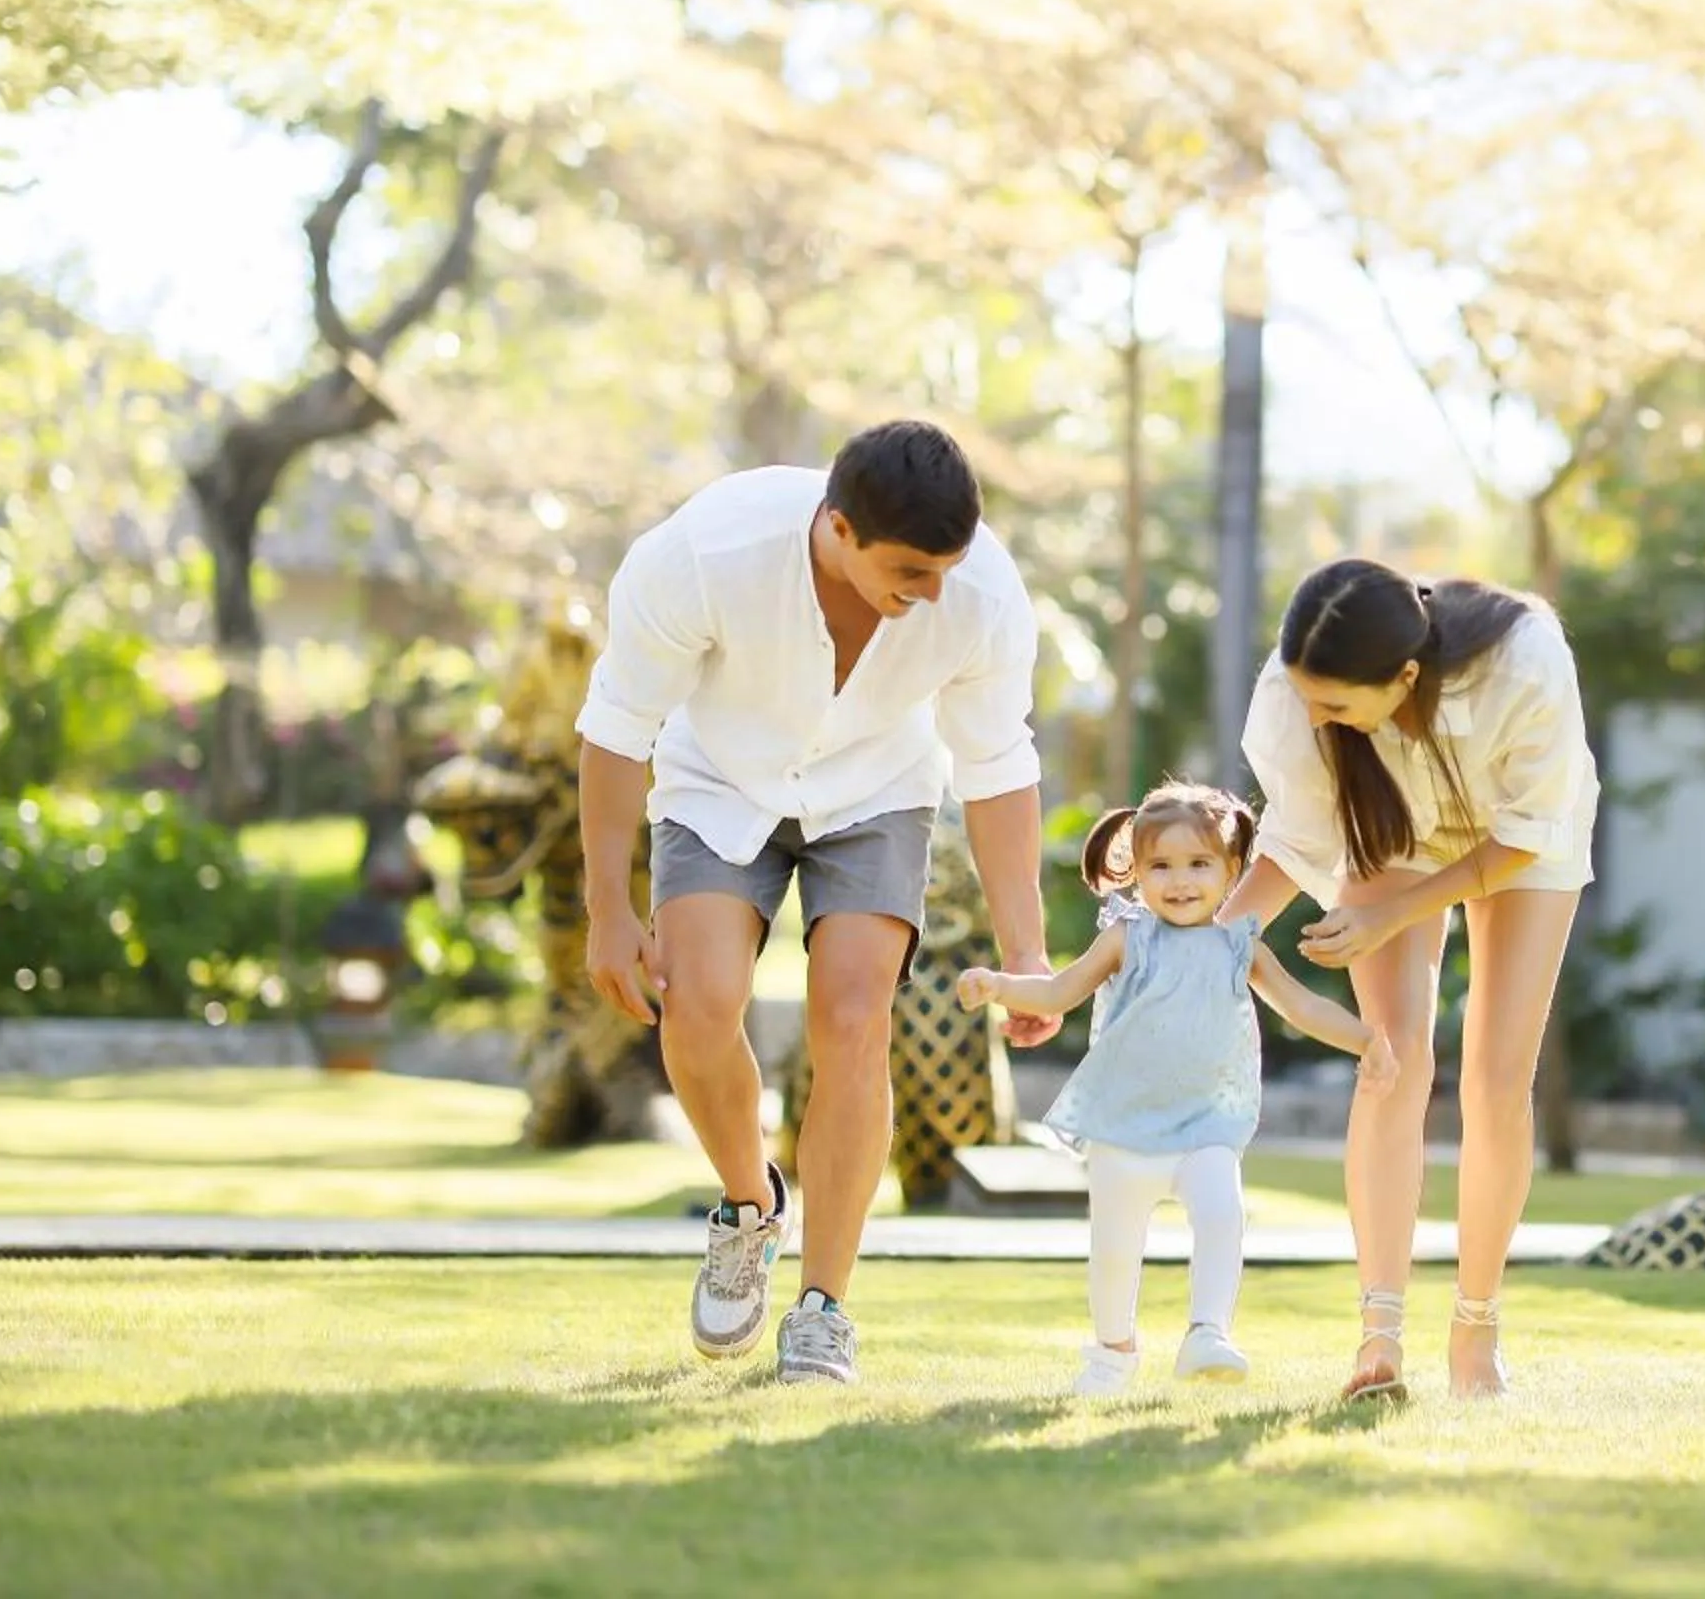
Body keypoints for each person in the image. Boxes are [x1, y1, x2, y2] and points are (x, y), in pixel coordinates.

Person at [574, 419, 1055, 1387]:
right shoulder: (706, 553)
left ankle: (824, 1308)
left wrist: (1029, 950)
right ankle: (749, 1208)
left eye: (946, 570)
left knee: (852, 1013)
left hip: (878, 788)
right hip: (719, 779)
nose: (931, 595)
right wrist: (607, 911)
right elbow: (618, 728)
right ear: (837, 528)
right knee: (700, 1007)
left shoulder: (983, 597)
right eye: (910, 571)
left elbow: (998, 768)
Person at [1217, 560, 1599, 1401]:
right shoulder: (1294, 691)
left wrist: (1390, 916)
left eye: (1337, 706)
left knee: (1497, 1080)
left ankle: (1476, 1328)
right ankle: (1378, 1340)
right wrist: (1210, 942)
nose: (1315, 715)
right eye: (1308, 696)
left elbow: (1522, 839)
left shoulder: (1526, 661)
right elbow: (1300, 839)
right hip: (1392, 836)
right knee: (1390, 1061)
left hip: (1522, 841)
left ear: (1406, 677)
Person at [959, 782, 1394, 1398]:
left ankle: (1207, 1332)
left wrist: (1365, 1039)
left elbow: (1299, 1007)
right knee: (1114, 1248)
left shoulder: (1238, 946)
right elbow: (1059, 993)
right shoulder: (1128, 938)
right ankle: (1112, 1351)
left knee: (1222, 1214)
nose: (1180, 880)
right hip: (1124, 1128)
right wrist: (998, 987)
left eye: (1199, 864)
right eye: (1160, 866)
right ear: (1136, 873)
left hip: (1206, 1126)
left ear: (1231, 870)